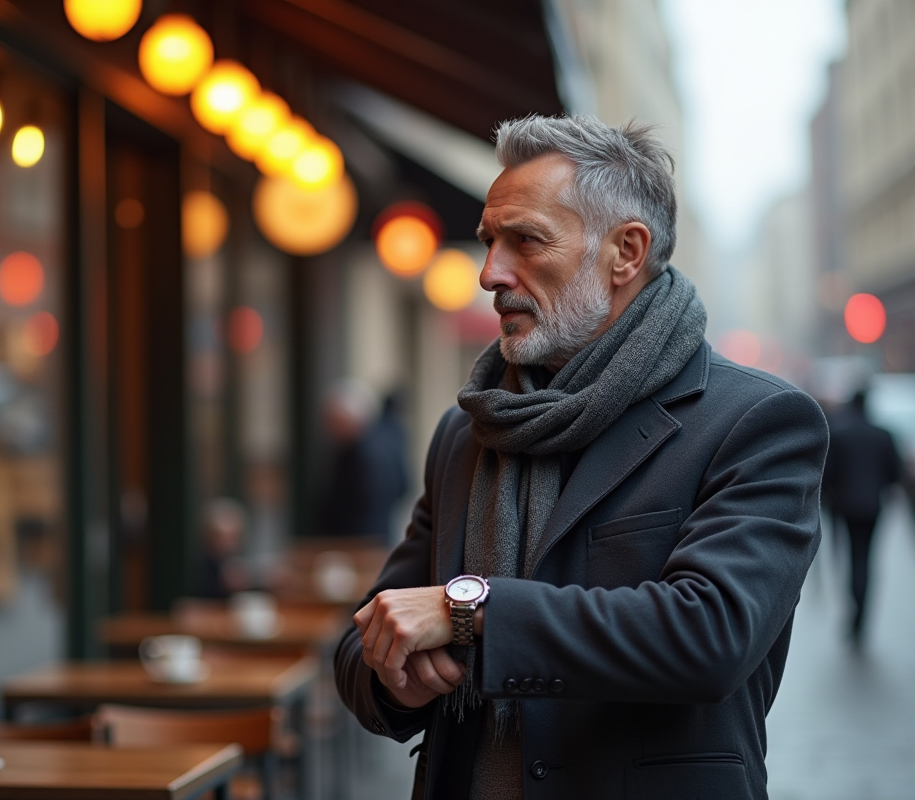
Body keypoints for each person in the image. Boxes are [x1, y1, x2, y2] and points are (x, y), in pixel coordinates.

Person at [335, 116, 828, 800]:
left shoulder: (756, 421)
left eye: (526, 241)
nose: (490, 273)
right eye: (488, 242)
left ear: (626, 252)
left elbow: (709, 635)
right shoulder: (465, 432)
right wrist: (392, 675)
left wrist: (469, 613)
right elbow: (368, 640)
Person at [823, 389, 902, 647]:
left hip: (844, 506)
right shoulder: (883, 435)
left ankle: (853, 612)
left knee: (848, 559)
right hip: (872, 506)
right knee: (865, 560)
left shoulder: (839, 434)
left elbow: (828, 474)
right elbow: (894, 474)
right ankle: (862, 616)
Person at [314, 380, 409, 542]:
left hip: (359, 543)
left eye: (333, 421)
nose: (328, 429)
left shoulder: (362, 454)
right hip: (376, 538)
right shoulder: (381, 443)